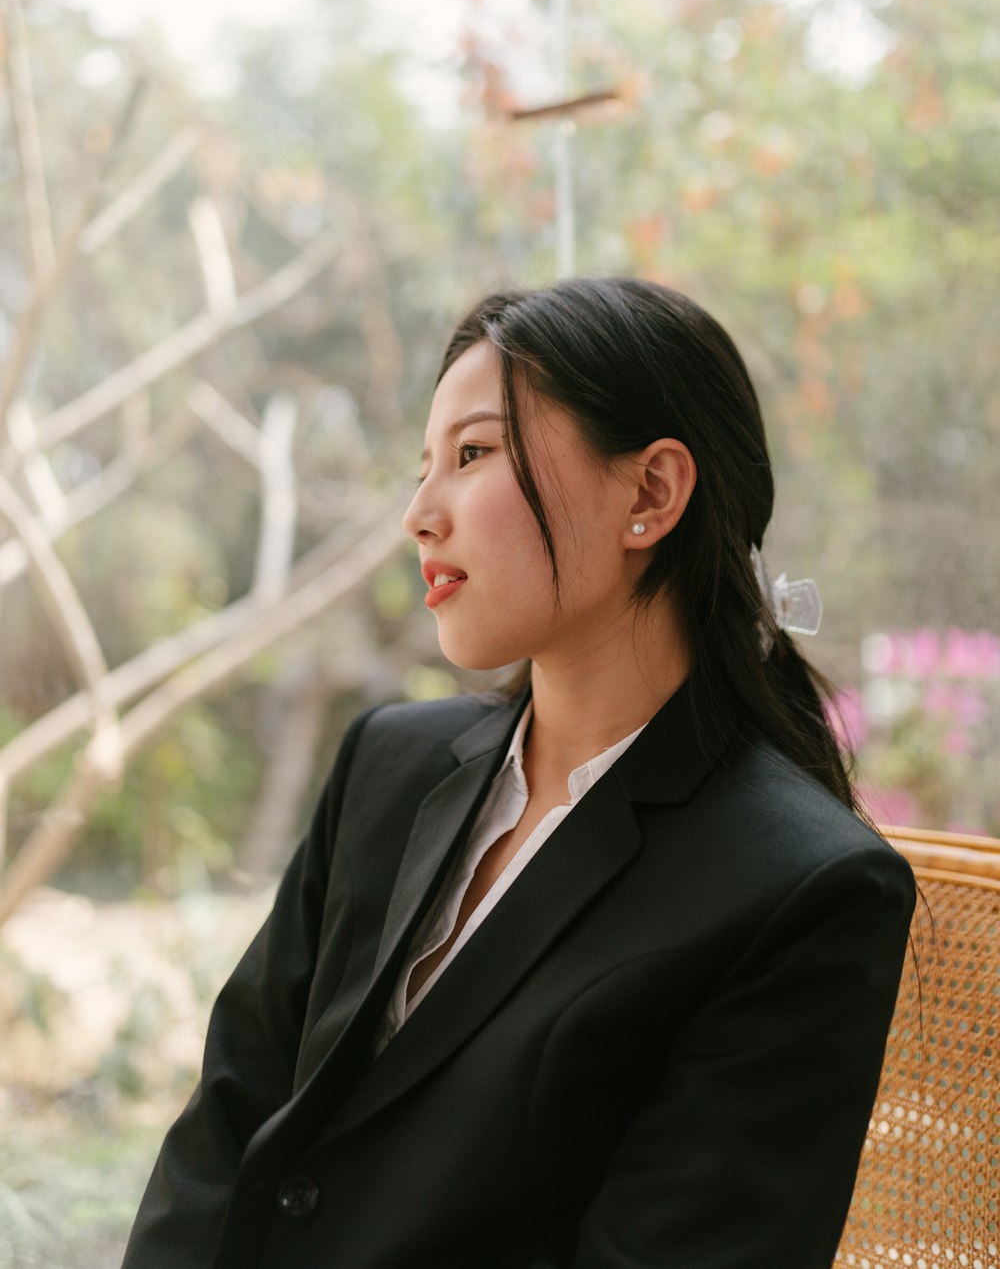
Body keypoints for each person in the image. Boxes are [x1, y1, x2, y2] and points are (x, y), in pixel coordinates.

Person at [122, 276, 915, 1269]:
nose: (419, 513)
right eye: (423, 468)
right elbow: (225, 1121)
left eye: (471, 454)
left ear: (651, 493)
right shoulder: (388, 763)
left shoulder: (805, 891)